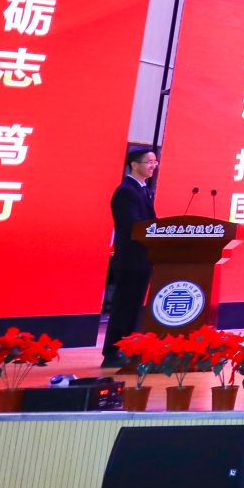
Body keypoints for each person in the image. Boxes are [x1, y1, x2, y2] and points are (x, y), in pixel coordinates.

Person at [100, 145, 160, 367]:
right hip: (130, 259)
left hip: (143, 258)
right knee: (124, 306)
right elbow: (132, 226)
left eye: (155, 162)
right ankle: (113, 352)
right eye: (149, 162)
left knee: (134, 307)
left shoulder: (143, 189)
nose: (153, 166)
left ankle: (128, 349)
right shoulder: (126, 191)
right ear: (134, 164)